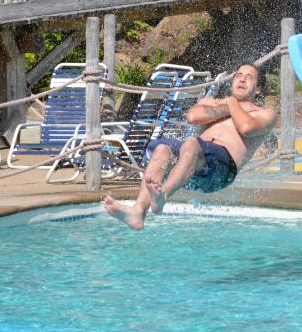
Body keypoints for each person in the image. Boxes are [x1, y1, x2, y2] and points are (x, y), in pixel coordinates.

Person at [103, 63, 277, 230]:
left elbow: (246, 128)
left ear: (258, 88)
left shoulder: (265, 113)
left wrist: (232, 104)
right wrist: (231, 104)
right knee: (162, 149)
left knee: (192, 143)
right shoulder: (212, 101)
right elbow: (193, 117)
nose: (242, 79)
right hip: (191, 167)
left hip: (221, 170)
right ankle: (138, 211)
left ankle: (163, 195)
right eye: (238, 75)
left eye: (249, 77)